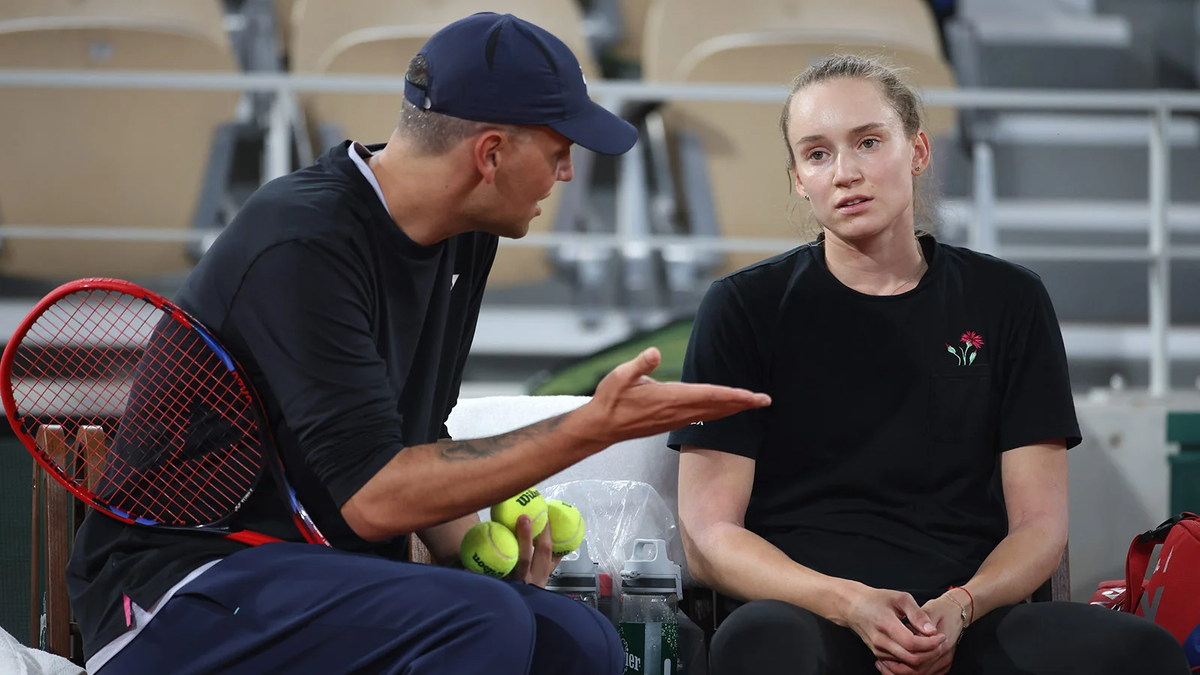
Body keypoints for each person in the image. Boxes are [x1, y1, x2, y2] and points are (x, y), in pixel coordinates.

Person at [66, 13, 770, 675]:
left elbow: (415, 436)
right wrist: (589, 427)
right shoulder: (300, 240)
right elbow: (376, 497)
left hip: (310, 577)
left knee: (579, 637)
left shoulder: (467, 234)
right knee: (485, 622)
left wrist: (466, 544)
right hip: (172, 589)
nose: (567, 175)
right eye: (559, 151)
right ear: (490, 154)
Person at [668, 54, 1189, 675]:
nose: (846, 173)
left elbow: (1040, 525)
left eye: (868, 142)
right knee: (762, 643)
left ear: (917, 151)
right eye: (817, 154)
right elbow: (708, 540)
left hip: (969, 618)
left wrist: (962, 607)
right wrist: (849, 603)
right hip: (808, 615)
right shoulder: (741, 308)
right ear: (797, 181)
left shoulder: (1008, 301)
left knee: (1142, 654)